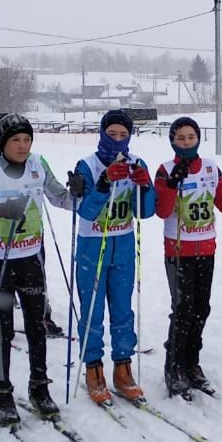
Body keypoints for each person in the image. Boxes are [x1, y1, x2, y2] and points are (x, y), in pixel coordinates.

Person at [0, 114, 71, 424]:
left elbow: (61, 198)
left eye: (27, 139)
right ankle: (3, 393)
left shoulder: (38, 164)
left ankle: (40, 387)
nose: (23, 146)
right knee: (3, 331)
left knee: (36, 326)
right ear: (4, 142)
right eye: (16, 140)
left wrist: (79, 191)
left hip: (31, 259)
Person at [71, 109, 156, 404]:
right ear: (102, 133)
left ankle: (123, 368)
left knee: (122, 312)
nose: (118, 140)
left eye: (124, 135)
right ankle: (93, 370)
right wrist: (104, 184)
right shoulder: (87, 165)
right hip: (92, 249)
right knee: (92, 313)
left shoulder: (137, 163)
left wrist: (145, 186)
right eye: (112, 134)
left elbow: (146, 212)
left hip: (123, 245)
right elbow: (84, 210)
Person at [153, 116, 222, 397]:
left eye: (191, 137)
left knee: (202, 308)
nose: (186, 142)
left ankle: (192, 362)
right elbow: (163, 212)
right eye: (181, 138)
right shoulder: (165, 169)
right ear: (172, 141)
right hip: (178, 250)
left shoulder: (212, 167)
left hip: (206, 248)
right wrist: (170, 185)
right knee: (183, 310)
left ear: (198, 138)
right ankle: (174, 365)